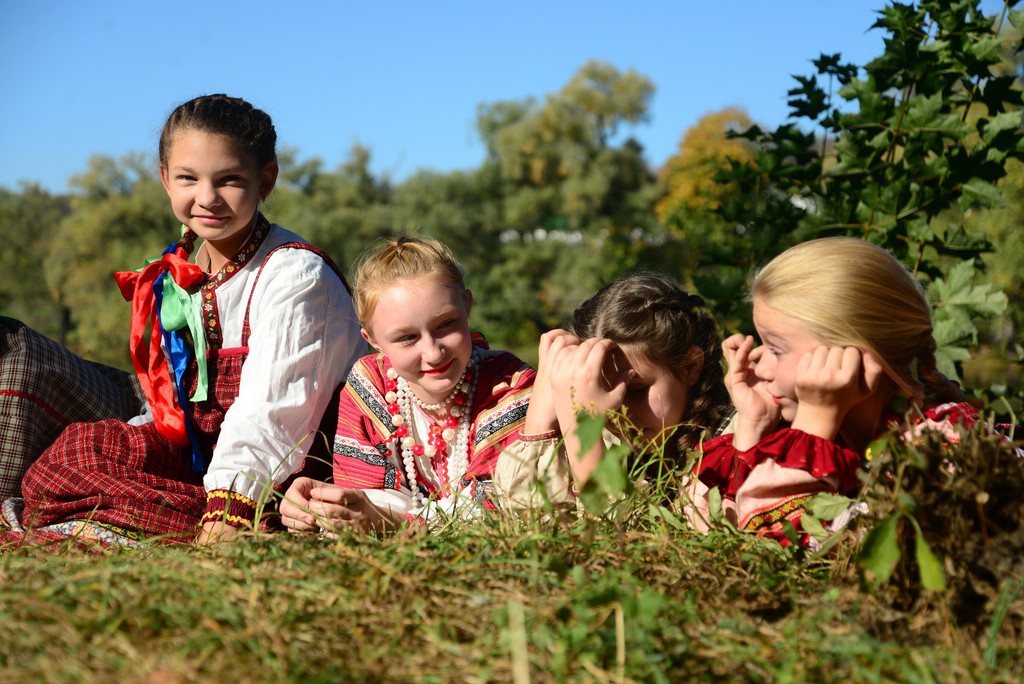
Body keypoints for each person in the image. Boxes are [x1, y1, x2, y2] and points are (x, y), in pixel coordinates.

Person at [4, 94, 363, 547]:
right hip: (203, 457)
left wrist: (231, 505)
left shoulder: (294, 273)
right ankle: (160, 514)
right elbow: (176, 403)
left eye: (229, 179)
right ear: (164, 179)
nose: (207, 198)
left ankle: (238, 526)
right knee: (72, 458)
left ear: (265, 179)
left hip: (287, 468)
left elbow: (273, 411)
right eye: (188, 178)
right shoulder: (182, 273)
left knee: (84, 485)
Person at [686, 236, 977, 544]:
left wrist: (813, 426)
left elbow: (781, 548)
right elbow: (708, 530)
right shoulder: (805, 435)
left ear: (853, 357)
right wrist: (753, 427)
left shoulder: (939, 448)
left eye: (776, 349)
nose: (761, 368)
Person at [279, 236, 534, 535]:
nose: (433, 352)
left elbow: (506, 507)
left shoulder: (507, 384)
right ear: (372, 340)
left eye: (446, 324)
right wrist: (322, 507)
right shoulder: (369, 386)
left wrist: (394, 524)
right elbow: (365, 494)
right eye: (407, 338)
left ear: (467, 305)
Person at [493, 271, 733, 512]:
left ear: (690, 365)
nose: (616, 409)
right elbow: (543, 540)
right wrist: (540, 422)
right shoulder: (610, 437)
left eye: (636, 389)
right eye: (599, 391)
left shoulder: (734, 447)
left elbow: (622, 544)